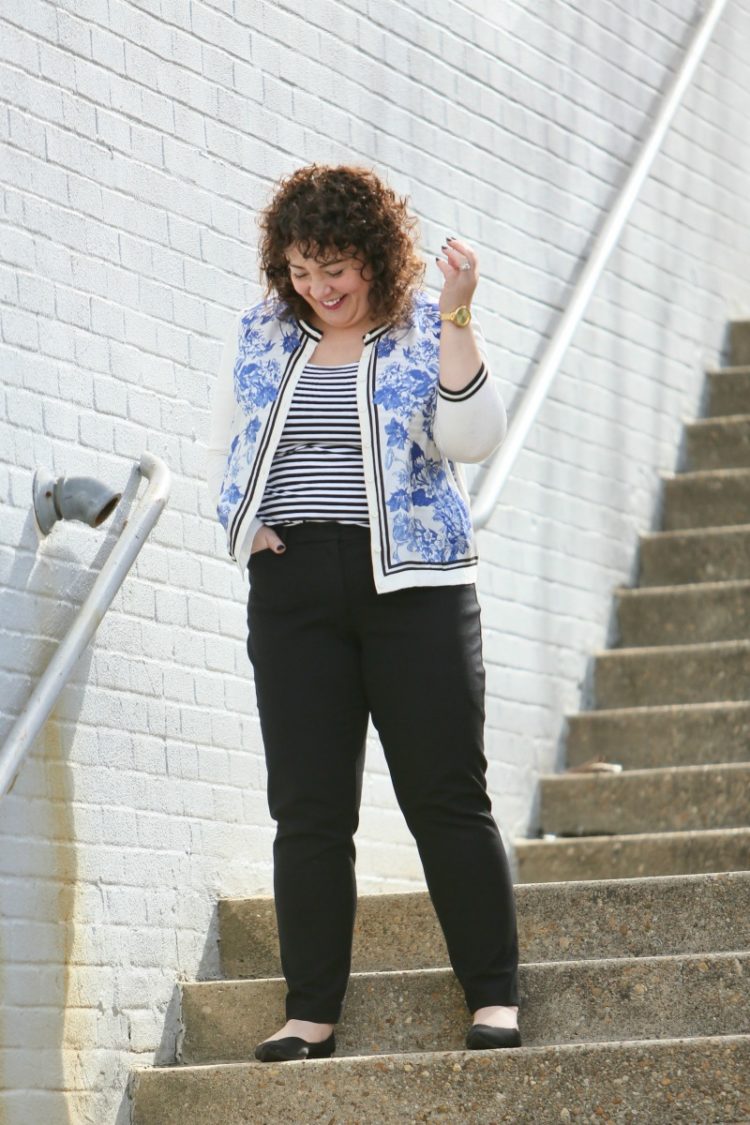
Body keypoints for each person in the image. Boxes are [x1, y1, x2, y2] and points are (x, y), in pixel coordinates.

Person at [207, 164, 521, 1063]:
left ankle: (493, 994)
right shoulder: (266, 332)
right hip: (295, 586)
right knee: (307, 807)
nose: (319, 289)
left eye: (334, 268)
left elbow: (471, 437)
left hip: (415, 588)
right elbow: (227, 437)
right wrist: (242, 527)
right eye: (302, 270)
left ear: (376, 255)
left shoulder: (426, 327)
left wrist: (460, 309)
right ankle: (311, 1012)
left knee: (445, 796)